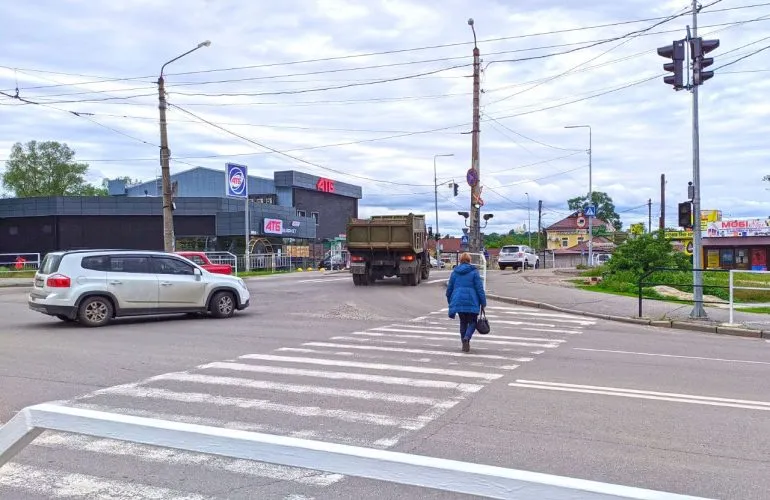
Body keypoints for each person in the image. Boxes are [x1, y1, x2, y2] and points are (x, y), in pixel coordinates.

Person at [446, 252, 487, 353]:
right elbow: (479, 288)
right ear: (469, 260)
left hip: (458, 301)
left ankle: (464, 341)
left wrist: (451, 301)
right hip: (472, 301)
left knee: (463, 322)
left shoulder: (455, 272)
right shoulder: (474, 272)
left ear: (460, 260)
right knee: (472, 322)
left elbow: (449, 290)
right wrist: (483, 301)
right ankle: (467, 338)